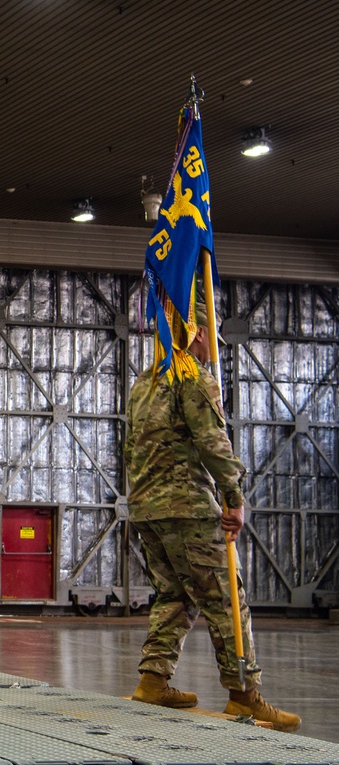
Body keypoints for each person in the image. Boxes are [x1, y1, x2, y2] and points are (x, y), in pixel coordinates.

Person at [125, 299, 301, 732]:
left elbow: (132, 449)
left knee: (175, 596)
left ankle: (153, 681)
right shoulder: (193, 378)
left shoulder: (143, 383)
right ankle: (245, 696)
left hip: (147, 509)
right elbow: (213, 444)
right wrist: (234, 498)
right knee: (227, 600)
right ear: (198, 334)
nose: (212, 352)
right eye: (212, 342)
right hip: (188, 509)